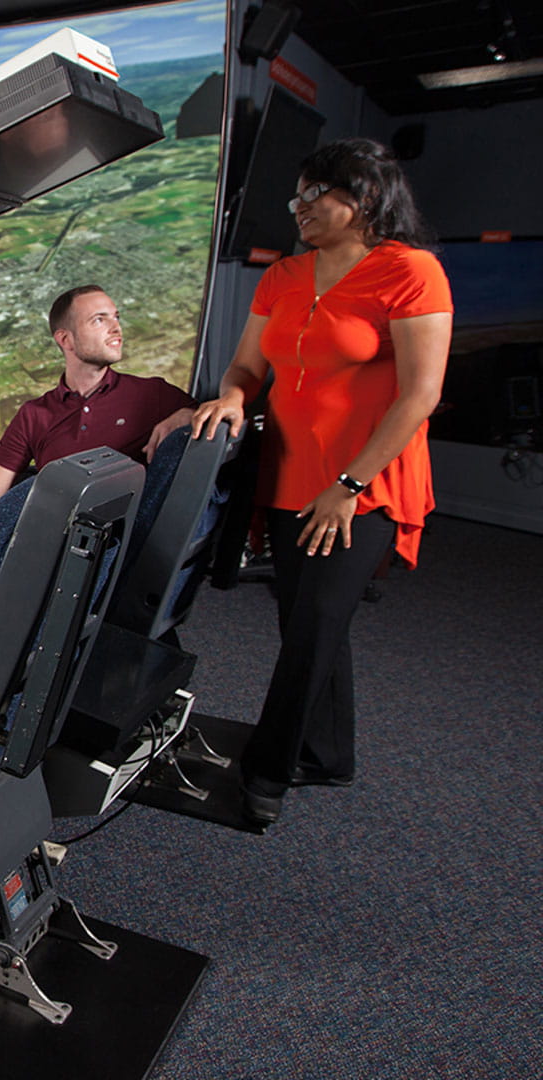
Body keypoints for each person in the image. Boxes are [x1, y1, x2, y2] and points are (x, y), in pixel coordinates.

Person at [191, 137, 451, 826]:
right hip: (285, 478)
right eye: (296, 196)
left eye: (314, 195)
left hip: (364, 485)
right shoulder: (282, 274)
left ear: (361, 199)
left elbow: (419, 396)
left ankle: (267, 771)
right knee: (303, 623)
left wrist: (349, 484)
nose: (298, 208)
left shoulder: (411, 272)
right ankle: (328, 753)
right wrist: (235, 398)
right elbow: (246, 368)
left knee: (315, 624)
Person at [0, 285, 196, 566]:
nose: (116, 328)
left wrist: (187, 414)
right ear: (66, 340)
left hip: (120, 558)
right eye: (99, 319)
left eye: (116, 317)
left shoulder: (153, 395)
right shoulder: (34, 415)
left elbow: (214, 418)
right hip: (47, 554)